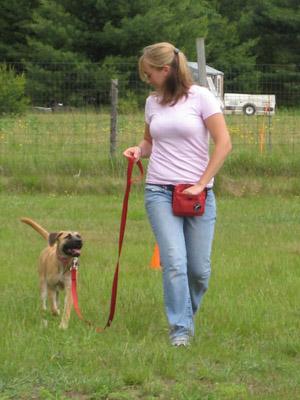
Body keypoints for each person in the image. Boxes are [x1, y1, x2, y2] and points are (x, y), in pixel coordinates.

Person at [123, 42, 231, 347]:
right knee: (174, 263)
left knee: (199, 271)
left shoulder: (201, 97)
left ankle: (186, 315)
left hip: (198, 195)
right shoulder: (152, 102)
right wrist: (138, 150)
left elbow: (224, 144)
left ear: (165, 70)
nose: (147, 79)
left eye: (149, 73)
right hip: (159, 190)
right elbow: (149, 142)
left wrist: (202, 182)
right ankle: (180, 330)